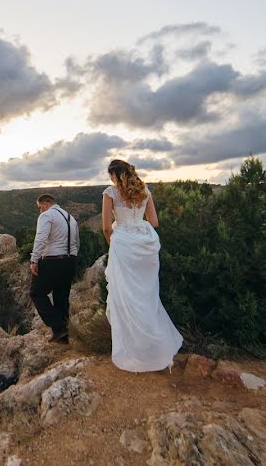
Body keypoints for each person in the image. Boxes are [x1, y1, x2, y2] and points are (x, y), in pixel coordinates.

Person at [102, 159, 182, 371]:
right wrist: (137, 225)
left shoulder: (110, 192)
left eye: (110, 175)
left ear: (115, 175)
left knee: (126, 298)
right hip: (145, 247)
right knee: (147, 298)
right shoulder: (145, 191)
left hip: (123, 248)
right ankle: (154, 349)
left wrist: (116, 245)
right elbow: (154, 222)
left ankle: (134, 351)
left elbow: (105, 229)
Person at [29, 193, 80, 344]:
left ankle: (58, 325)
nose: (40, 211)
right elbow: (77, 242)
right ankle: (62, 337)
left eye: (40, 208)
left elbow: (41, 238)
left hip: (53, 261)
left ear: (45, 203)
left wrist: (34, 260)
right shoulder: (71, 218)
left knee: (36, 292)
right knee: (61, 297)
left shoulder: (47, 215)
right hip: (71, 260)